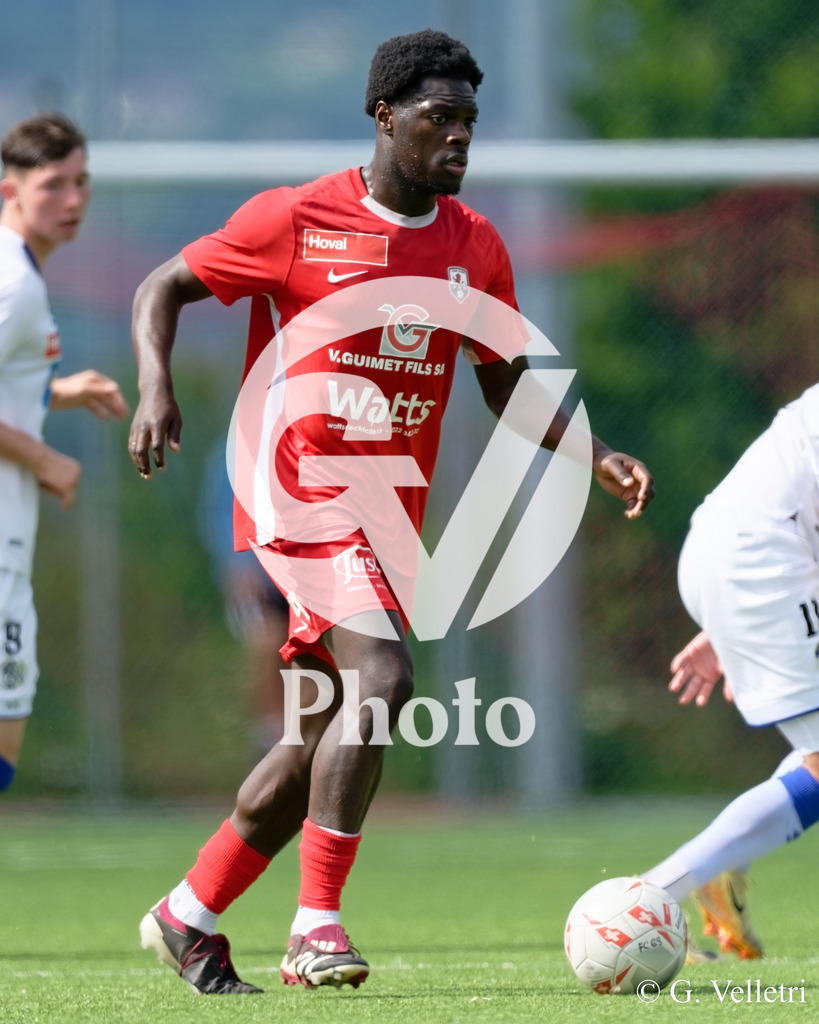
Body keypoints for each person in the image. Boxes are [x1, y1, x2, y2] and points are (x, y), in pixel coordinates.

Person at [128, 29, 654, 996]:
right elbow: (163, 285)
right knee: (386, 671)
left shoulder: (473, 246)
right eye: (438, 120)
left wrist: (595, 451)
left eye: (468, 124)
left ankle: (188, 915)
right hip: (293, 491)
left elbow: (505, 383)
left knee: (311, 742)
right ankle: (315, 929)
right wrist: (157, 385)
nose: (459, 140)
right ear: (385, 118)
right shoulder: (298, 218)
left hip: (382, 518)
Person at [642, 382, 819, 960]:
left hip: (736, 553)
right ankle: (654, 898)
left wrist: (728, 620)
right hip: (765, 566)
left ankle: (696, 878)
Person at [0, 113, 128, 792]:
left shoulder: (22, 276)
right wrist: (45, 458)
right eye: (53, 185)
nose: (73, 200)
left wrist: (55, 393)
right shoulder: (13, 285)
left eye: (82, 183)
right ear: (9, 191)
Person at [199, 436, 289, 751]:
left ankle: (316, 744)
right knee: (267, 643)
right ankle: (271, 742)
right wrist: (238, 563)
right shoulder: (240, 448)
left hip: (307, 576)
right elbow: (222, 512)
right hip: (259, 577)